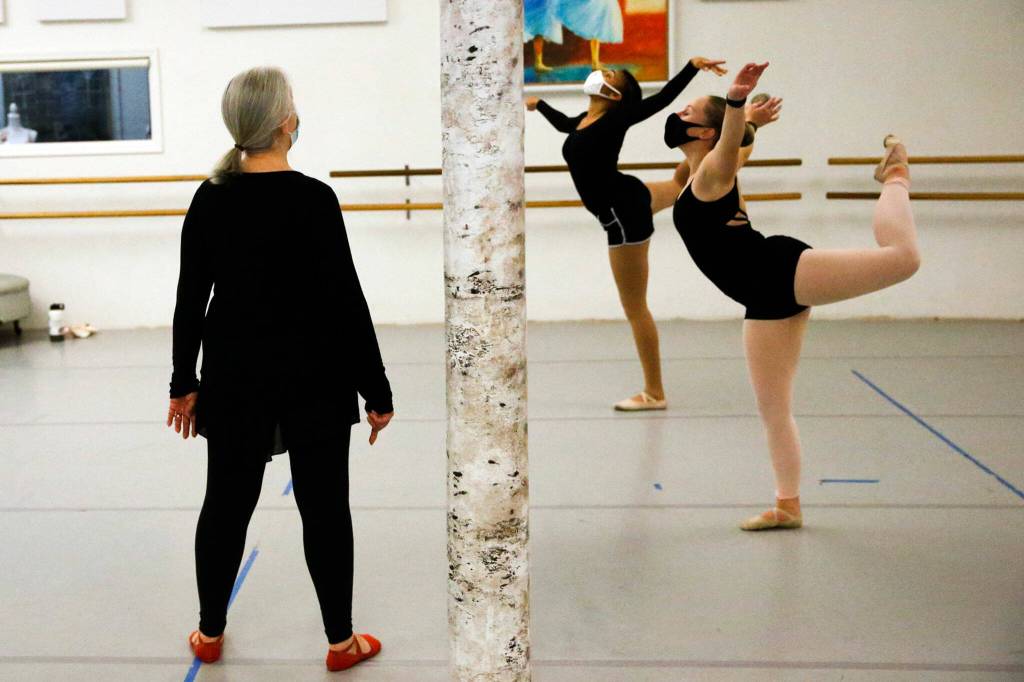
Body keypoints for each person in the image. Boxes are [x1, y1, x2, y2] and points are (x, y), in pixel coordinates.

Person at [166, 66, 394, 671]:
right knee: (326, 509)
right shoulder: (314, 199)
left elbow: (191, 300)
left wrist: (183, 383)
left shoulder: (211, 197)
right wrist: (376, 390)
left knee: (225, 506)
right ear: (285, 122)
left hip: (235, 377)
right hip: (315, 376)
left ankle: (209, 634)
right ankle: (341, 643)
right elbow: (346, 301)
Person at [666, 62, 920, 530]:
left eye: (686, 110)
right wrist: (750, 123)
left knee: (903, 258)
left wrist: (738, 103)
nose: (677, 113)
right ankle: (788, 506)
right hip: (762, 301)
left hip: (781, 271)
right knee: (774, 409)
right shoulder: (705, 172)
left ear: (703, 132)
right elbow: (735, 146)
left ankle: (896, 173)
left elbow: (730, 147)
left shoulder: (711, 177)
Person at [526, 59, 779, 410]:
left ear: (615, 94)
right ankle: (744, 129)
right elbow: (564, 124)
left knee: (635, 308)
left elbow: (662, 98)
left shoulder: (616, 119)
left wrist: (692, 67)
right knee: (684, 179)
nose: (601, 72)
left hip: (623, 218)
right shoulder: (585, 120)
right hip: (632, 193)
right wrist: (539, 105)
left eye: (610, 74)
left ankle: (654, 393)